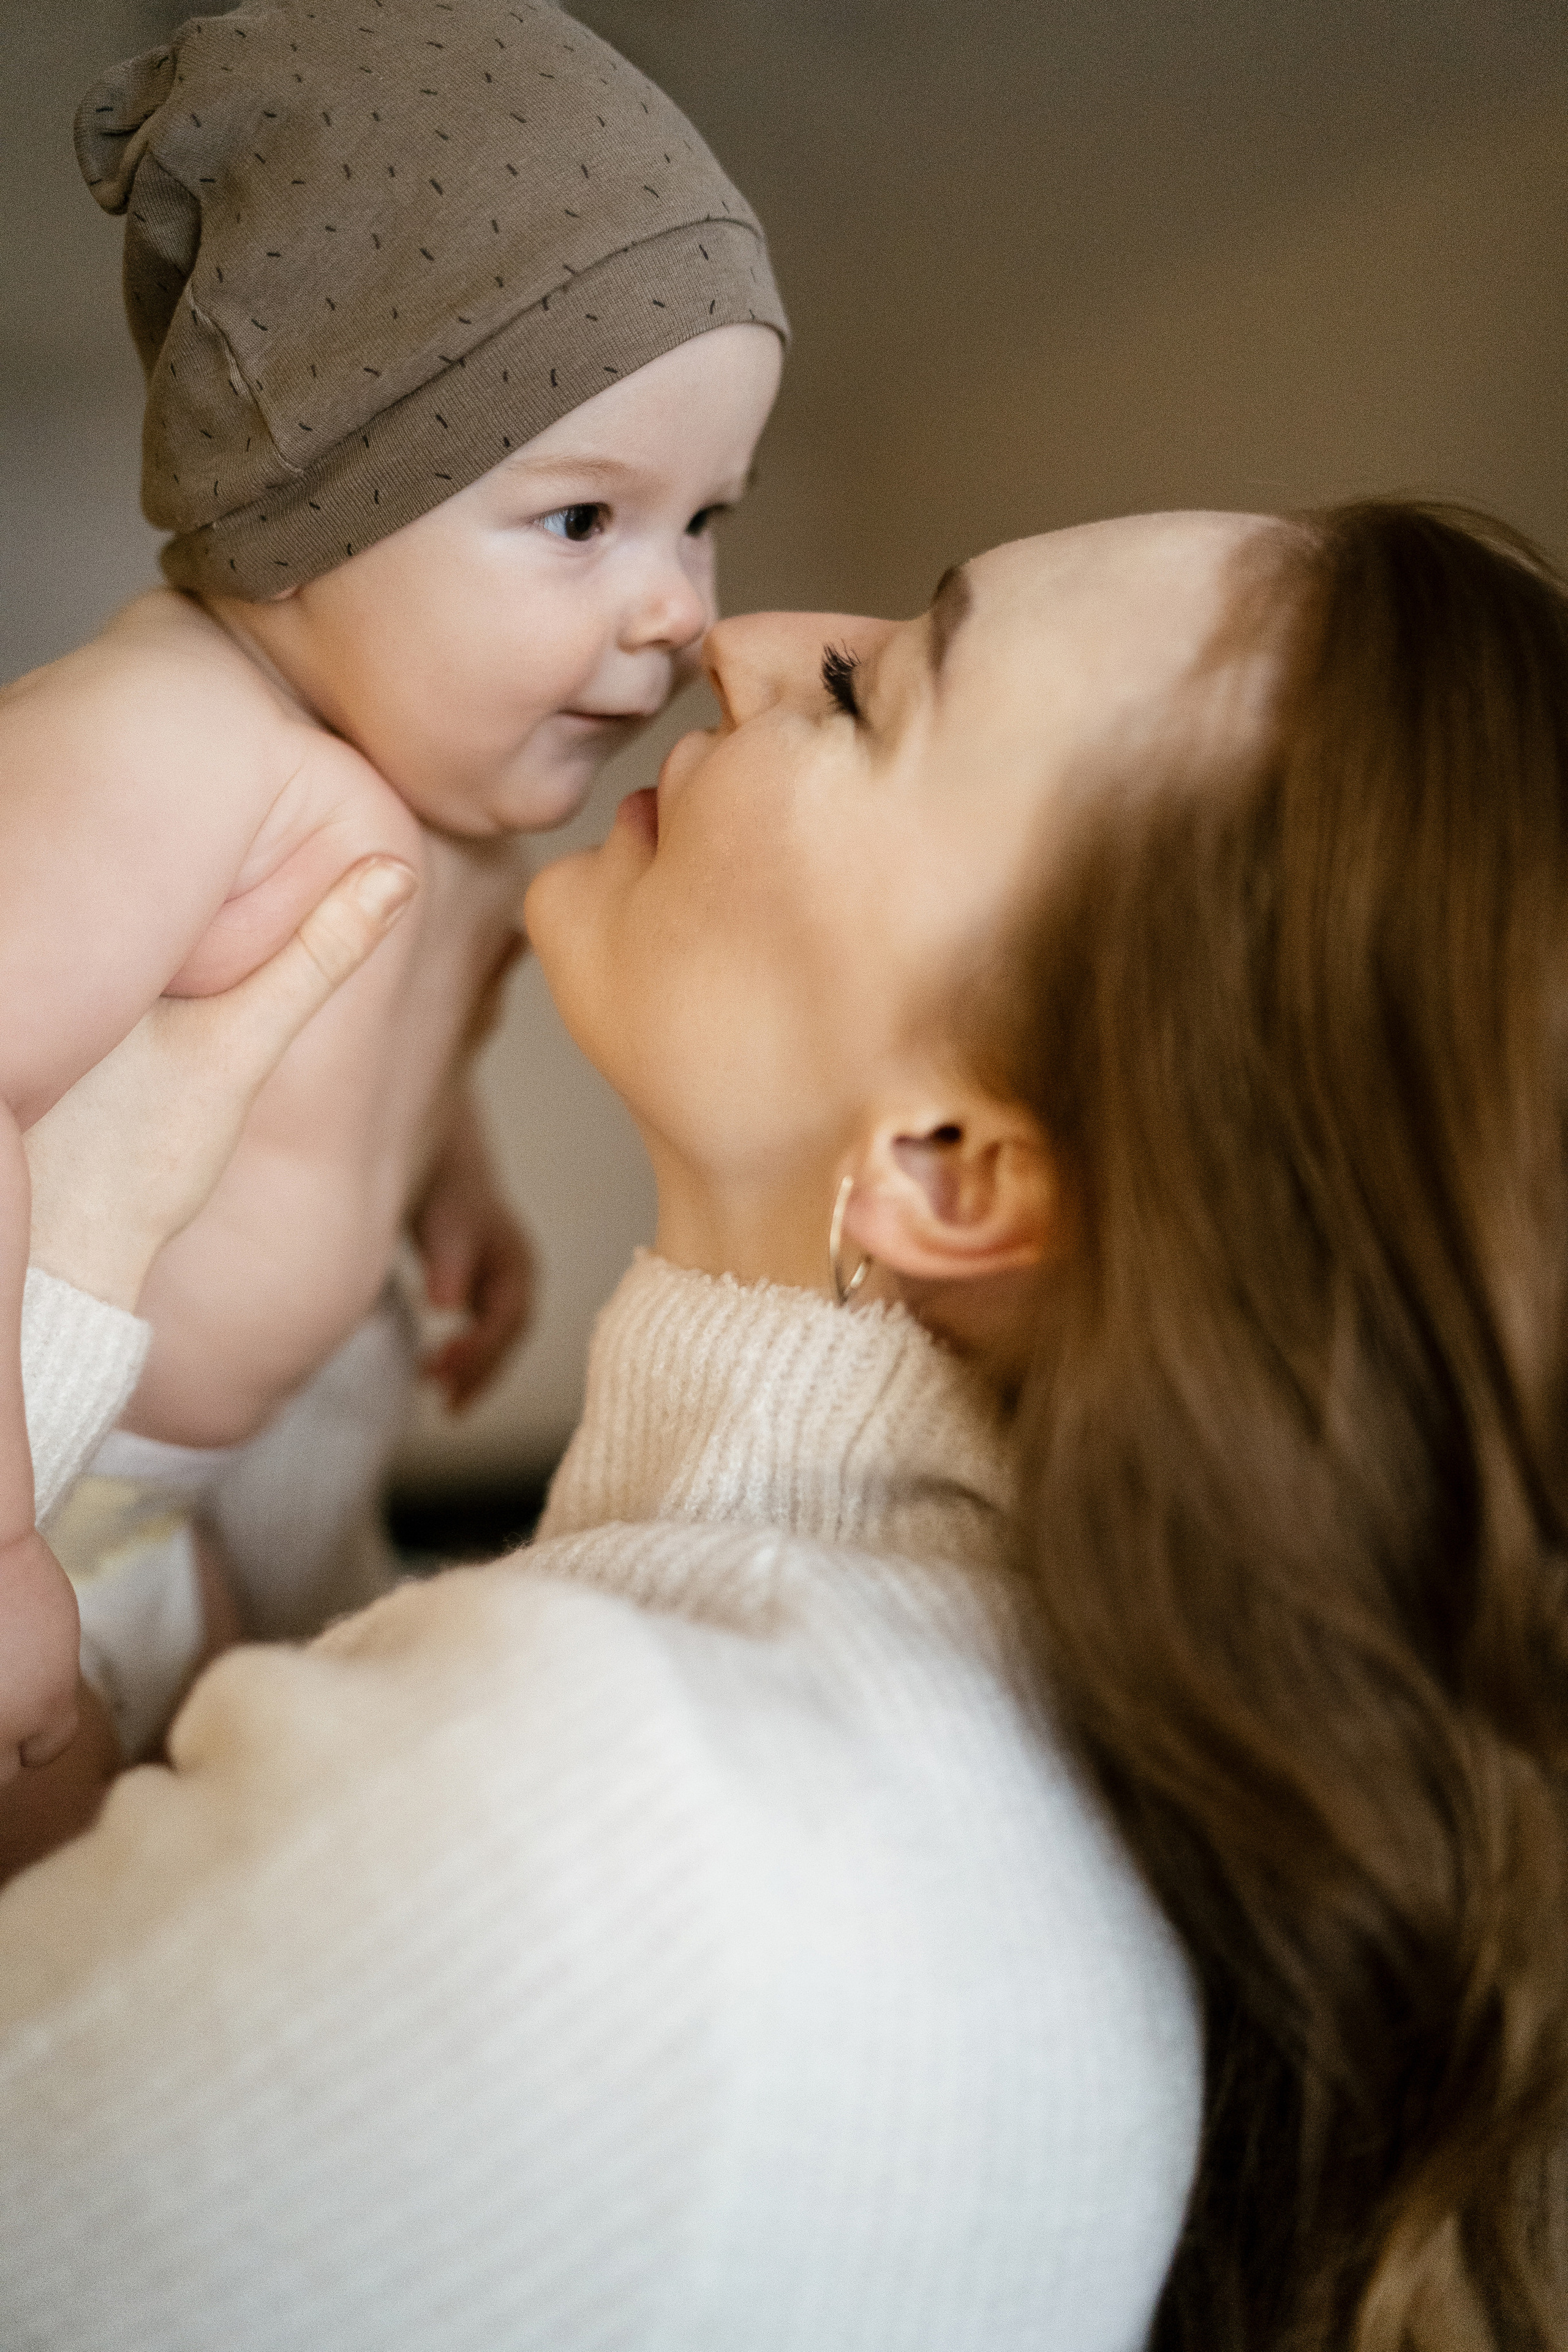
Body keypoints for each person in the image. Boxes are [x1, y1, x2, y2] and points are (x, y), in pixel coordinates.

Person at [2, 500, 1561, 2352]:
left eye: (861, 691)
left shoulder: (625, 1818)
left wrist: (76, 1243)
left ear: (952, 1169)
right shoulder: (865, 1768)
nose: (725, 647)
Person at [0, 0, 786, 1783]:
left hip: (235, 1476)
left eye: (704, 518)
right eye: (587, 521)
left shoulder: (457, 808)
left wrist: (449, 1182)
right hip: (71, 1483)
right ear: (309, 504)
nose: (680, 611)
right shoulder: (171, 742)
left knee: (265, 1800)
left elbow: (370, 1029)